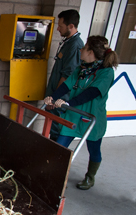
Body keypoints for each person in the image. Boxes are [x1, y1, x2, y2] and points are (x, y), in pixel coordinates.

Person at [44, 35, 119, 190]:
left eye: (84, 48)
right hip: (73, 115)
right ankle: (52, 175)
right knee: (60, 146)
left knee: (94, 149)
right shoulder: (81, 69)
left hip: (91, 117)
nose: (81, 50)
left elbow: (92, 92)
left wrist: (69, 103)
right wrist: (53, 97)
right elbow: (67, 85)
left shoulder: (106, 73)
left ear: (91, 52)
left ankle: (90, 177)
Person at [45, 9, 84, 141]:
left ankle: (55, 158)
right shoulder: (67, 43)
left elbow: (68, 75)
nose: (57, 29)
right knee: (52, 127)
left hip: (60, 98)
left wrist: (55, 98)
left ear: (71, 26)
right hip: (55, 96)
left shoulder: (75, 46)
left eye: (61, 26)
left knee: (57, 130)